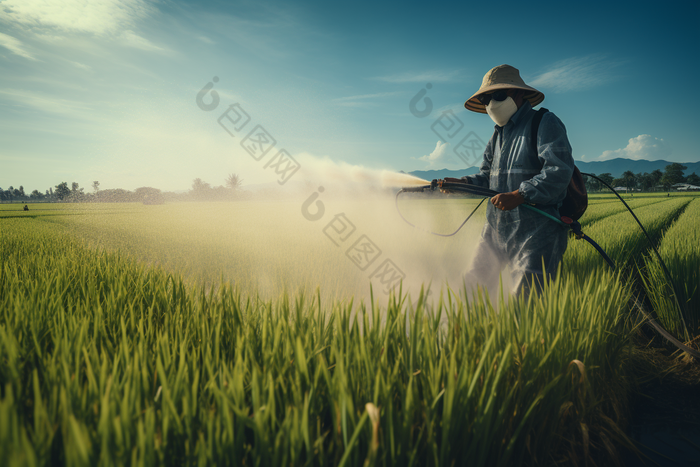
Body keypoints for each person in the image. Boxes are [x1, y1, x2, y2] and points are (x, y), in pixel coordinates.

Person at [453, 64, 574, 298]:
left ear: (519, 93)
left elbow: (559, 170)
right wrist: (460, 183)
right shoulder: (497, 134)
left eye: (498, 96)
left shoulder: (544, 122)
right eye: (486, 99)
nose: (491, 104)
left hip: (537, 230)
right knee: (473, 288)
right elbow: (487, 177)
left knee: (526, 299)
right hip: (495, 228)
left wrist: (519, 195)